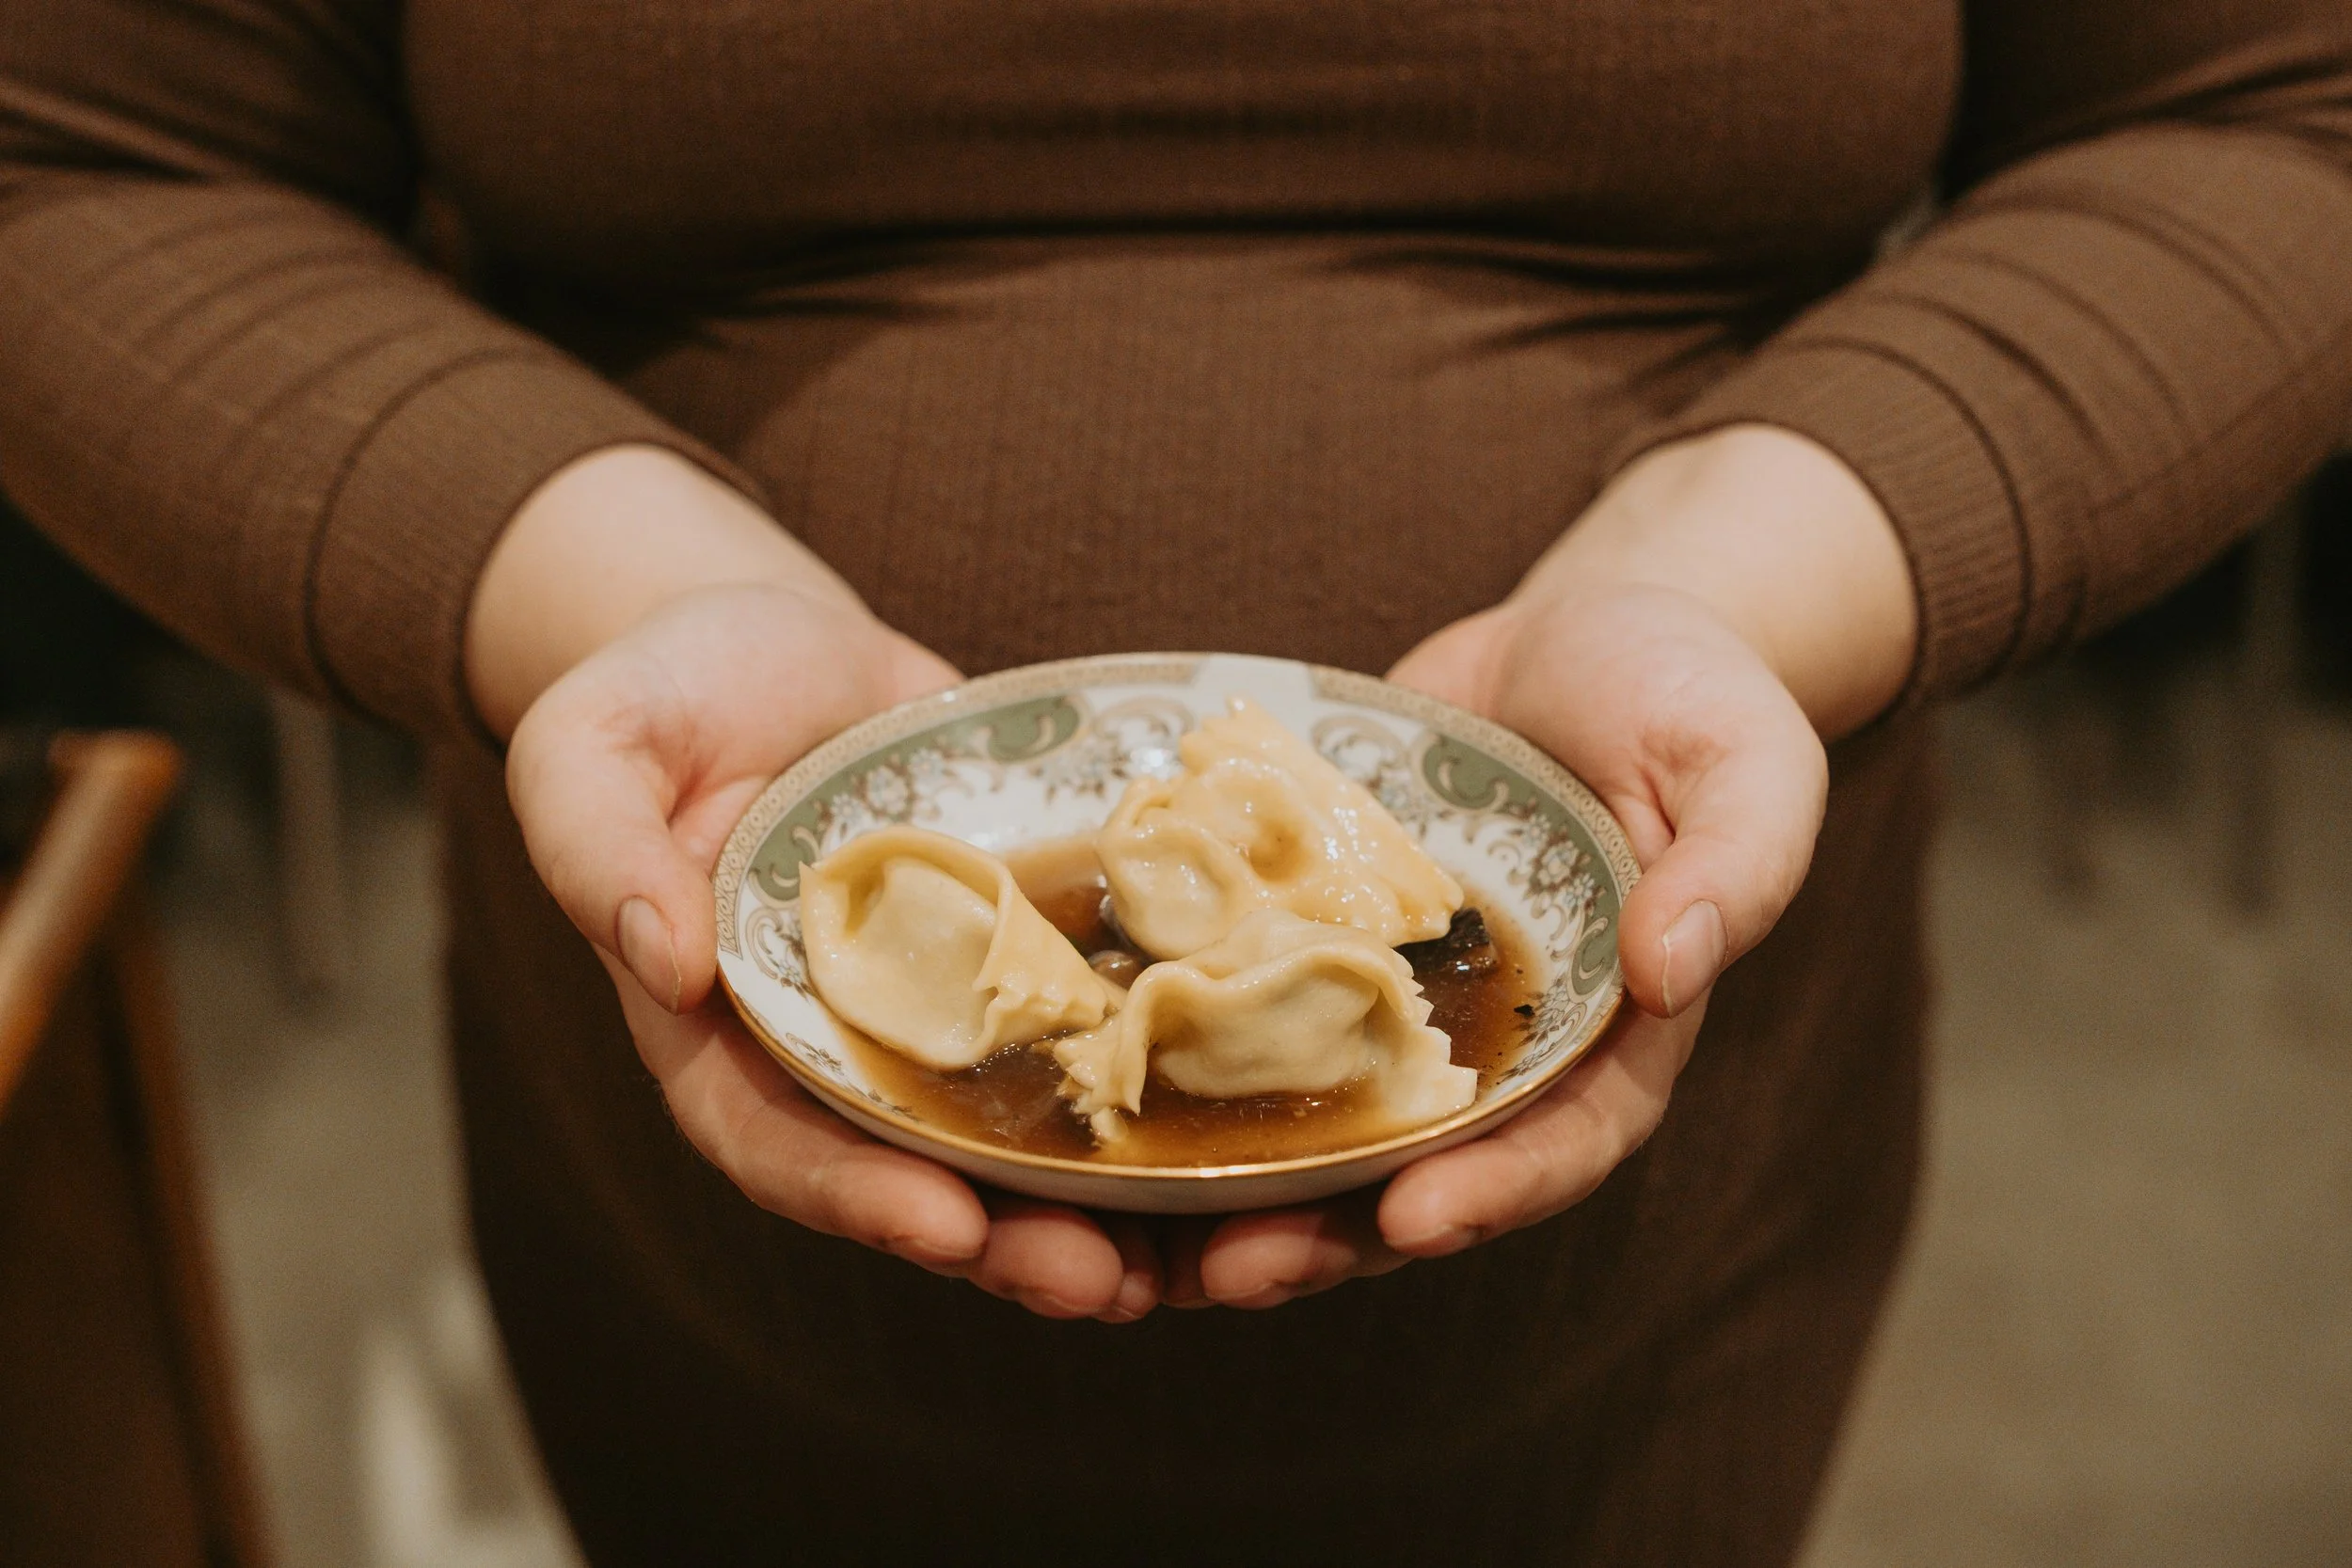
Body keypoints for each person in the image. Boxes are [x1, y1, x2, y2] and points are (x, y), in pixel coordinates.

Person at [2, 2, 2347, 1561]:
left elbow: (2263, 90)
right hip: (712, 1304)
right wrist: (586, 577)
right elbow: (75, 144)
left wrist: (1750, 558)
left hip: (1658, 1296)